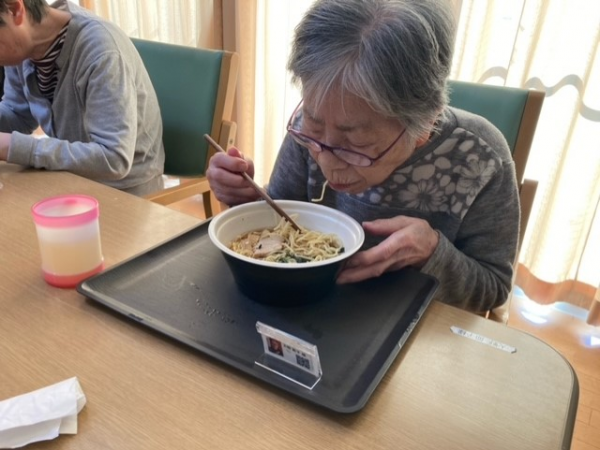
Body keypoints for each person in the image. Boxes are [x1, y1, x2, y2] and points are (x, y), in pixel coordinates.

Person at [206, 0, 520, 313]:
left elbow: (493, 290)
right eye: (315, 124)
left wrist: (432, 252)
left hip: (413, 324)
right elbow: (280, 219)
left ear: (424, 123)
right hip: (309, 309)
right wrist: (246, 198)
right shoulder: (310, 134)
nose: (327, 162)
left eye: (354, 143)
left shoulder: (480, 159)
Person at [0, 0, 164, 196]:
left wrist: (11, 145)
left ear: (15, 10)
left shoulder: (102, 50)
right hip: (71, 178)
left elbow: (114, 159)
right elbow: (18, 115)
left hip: (125, 191)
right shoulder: (22, 49)